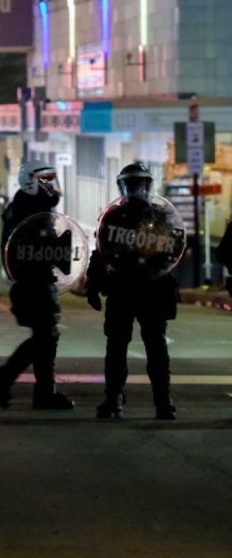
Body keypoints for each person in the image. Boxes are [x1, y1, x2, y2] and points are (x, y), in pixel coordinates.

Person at [86, 162, 178, 420]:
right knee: (117, 346)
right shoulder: (113, 217)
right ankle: (113, 399)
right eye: (131, 184)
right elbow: (100, 252)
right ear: (122, 186)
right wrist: (93, 286)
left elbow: (173, 254)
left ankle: (162, 401)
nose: (136, 189)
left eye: (140, 184)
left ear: (148, 185)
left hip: (151, 289)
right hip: (123, 289)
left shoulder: (160, 217)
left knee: (154, 347)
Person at [0, 163, 73, 410]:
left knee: (45, 338)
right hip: (32, 281)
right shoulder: (28, 210)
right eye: (46, 180)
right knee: (46, 337)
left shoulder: (30, 208)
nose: (51, 186)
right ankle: (5, 379)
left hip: (37, 280)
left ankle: (41, 391)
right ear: (31, 181)